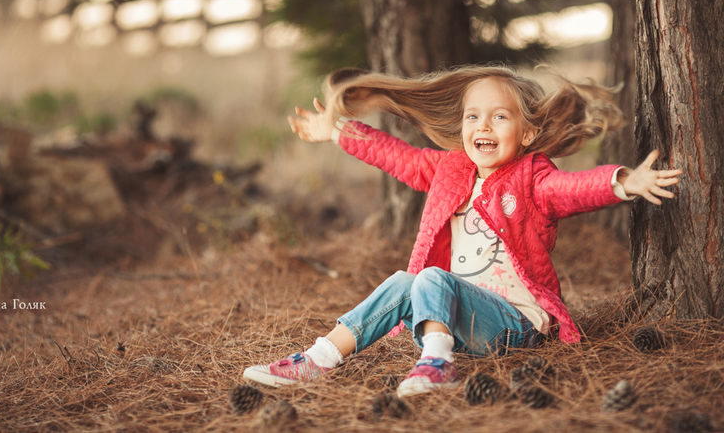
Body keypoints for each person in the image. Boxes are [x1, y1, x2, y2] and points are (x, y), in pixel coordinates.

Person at [242, 66, 683, 398]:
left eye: (499, 117)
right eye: (473, 117)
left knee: (432, 278)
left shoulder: (532, 178)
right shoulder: (451, 169)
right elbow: (397, 156)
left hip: (515, 324)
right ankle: (317, 360)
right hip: (459, 320)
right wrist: (338, 130)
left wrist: (624, 182)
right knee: (404, 282)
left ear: (528, 133)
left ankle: (437, 364)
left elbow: (573, 189)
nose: (483, 127)